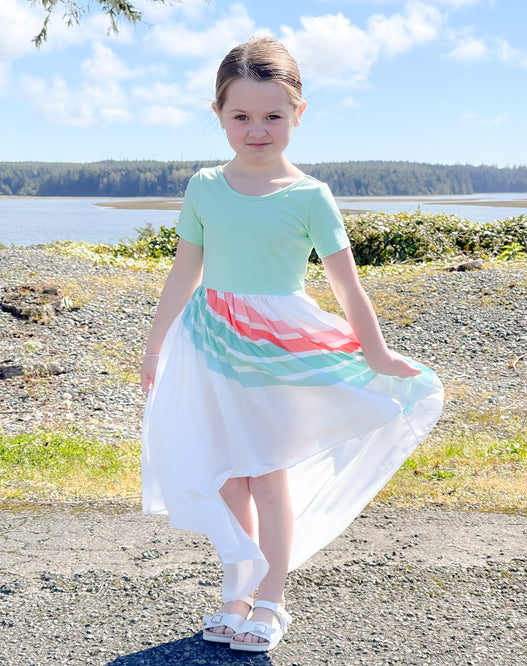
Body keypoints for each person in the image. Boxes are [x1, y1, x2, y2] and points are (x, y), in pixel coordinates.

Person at [141, 36, 443, 653]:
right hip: (211, 344)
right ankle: (238, 588)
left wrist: (379, 355)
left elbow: (347, 286)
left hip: (277, 350)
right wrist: (155, 346)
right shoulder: (204, 188)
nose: (258, 130)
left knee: (268, 472)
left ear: (298, 114)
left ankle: (272, 597)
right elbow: (184, 272)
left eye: (273, 116)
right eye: (241, 116)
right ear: (220, 114)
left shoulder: (309, 196)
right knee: (226, 471)